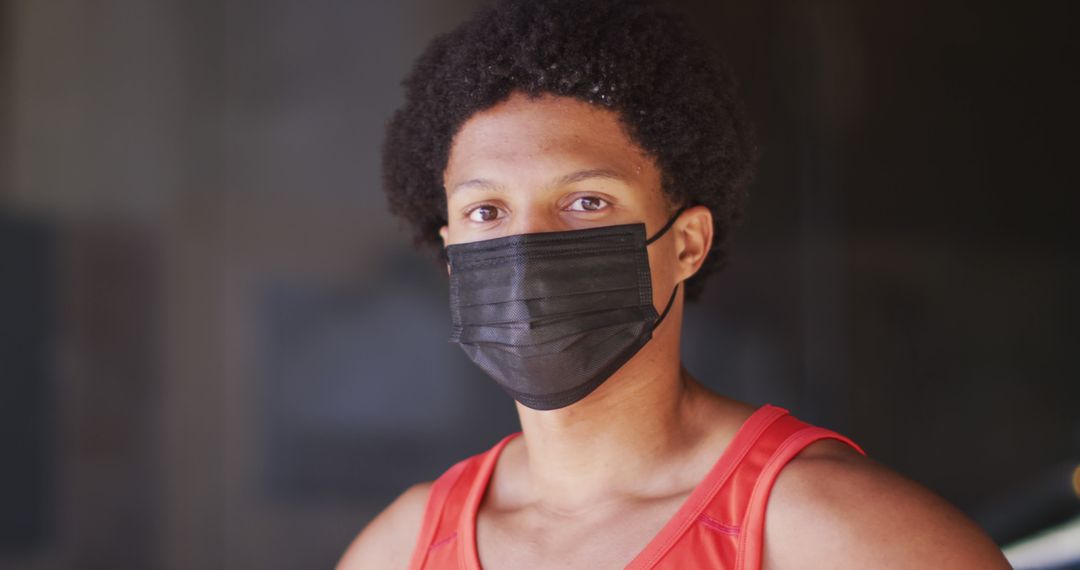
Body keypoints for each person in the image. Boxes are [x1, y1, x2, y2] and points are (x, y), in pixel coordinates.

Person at [338, 0, 1011, 567]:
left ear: (687, 243)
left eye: (586, 201)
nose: (527, 250)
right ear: (452, 254)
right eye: (487, 212)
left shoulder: (842, 535)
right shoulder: (400, 549)